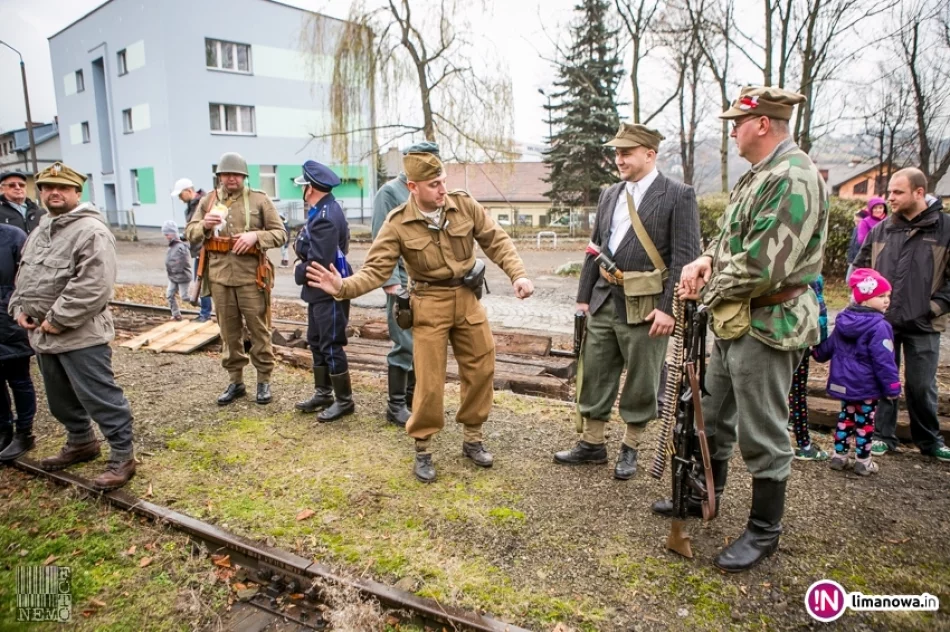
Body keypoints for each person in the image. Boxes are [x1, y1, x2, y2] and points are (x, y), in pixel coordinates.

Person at [654, 86, 829, 572]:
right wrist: (704, 259)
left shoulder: (792, 177)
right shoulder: (759, 175)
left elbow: (762, 265)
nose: (733, 132)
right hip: (737, 320)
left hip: (769, 323)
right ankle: (704, 494)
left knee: (762, 430)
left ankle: (764, 530)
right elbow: (731, 238)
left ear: (763, 124)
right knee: (711, 415)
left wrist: (703, 292)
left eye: (738, 123)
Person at [306, 151, 534, 483]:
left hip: (467, 299)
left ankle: (472, 438)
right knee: (428, 382)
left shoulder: (463, 205)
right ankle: (423, 447)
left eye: (443, 181)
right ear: (413, 187)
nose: (442, 189)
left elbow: (496, 240)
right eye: (433, 184)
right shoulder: (398, 222)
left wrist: (518, 274)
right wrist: (342, 286)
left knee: (481, 369)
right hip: (428, 303)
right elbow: (375, 270)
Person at [554, 123, 701, 480]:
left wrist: (669, 309)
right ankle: (592, 443)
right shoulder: (610, 193)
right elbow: (595, 248)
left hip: (647, 306)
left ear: (650, 154)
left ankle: (630, 447)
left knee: (642, 380)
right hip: (604, 299)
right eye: (617, 153)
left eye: (626, 153)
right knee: (595, 371)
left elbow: (685, 257)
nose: (619, 159)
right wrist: (583, 298)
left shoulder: (677, 194)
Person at [8, 162, 136, 490]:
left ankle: (122, 456)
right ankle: (81, 442)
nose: (54, 193)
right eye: (48, 187)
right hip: (42, 335)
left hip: (81, 335)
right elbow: (25, 275)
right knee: (60, 399)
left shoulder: (90, 231)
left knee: (100, 397)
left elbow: (94, 284)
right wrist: (19, 308)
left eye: (63, 188)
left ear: (77, 193)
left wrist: (56, 319)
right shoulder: (41, 229)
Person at [854, 167, 950, 462]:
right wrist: (866, 305)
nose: (890, 198)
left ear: (919, 193)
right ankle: (882, 435)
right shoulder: (881, 229)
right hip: (882, 323)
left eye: (897, 192)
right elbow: (861, 269)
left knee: (921, 386)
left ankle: (929, 440)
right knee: (883, 378)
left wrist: (934, 308)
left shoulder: (945, 229)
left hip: (924, 322)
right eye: (890, 192)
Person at [185, 153, 286, 406]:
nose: (231, 178)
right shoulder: (209, 201)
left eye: (236, 174)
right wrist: (204, 225)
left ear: (244, 176)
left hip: (252, 277)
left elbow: (280, 234)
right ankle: (236, 381)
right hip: (219, 277)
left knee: (259, 330)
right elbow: (190, 233)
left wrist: (256, 237)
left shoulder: (259, 200)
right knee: (229, 333)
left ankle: (263, 380)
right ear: (219, 176)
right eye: (226, 174)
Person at [370, 141, 440, 426]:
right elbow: (380, 238)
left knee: (422, 343)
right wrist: (389, 281)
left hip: (428, 283)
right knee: (404, 342)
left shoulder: (431, 191)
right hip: (401, 283)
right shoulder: (390, 193)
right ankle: (396, 405)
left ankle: (413, 399)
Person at [812, 268, 900, 476]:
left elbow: (829, 346)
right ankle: (863, 460)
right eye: (880, 296)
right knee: (865, 422)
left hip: (843, 383)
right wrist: (892, 387)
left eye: (888, 296)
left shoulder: (843, 320)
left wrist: (816, 352)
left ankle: (839, 456)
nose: (886, 300)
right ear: (865, 299)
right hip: (866, 386)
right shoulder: (880, 326)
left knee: (845, 418)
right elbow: (884, 361)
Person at [293, 161, 354, 422]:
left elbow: (319, 262)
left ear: (310, 189)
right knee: (316, 339)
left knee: (331, 344)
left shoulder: (326, 217)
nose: (302, 190)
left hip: (327, 290)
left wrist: (298, 270)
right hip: (318, 291)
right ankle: (323, 393)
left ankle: (344, 401)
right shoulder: (323, 210)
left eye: (303, 186)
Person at [0, 223, 36, 462]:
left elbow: (28, 280)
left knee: (19, 379)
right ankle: (3, 429)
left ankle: (24, 432)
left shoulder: (13, 236)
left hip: (9, 320)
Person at [787, 275, 830, 461]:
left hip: (775, 337)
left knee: (775, 391)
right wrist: (821, 340)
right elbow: (819, 310)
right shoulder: (811, 273)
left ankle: (780, 439)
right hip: (800, 340)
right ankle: (803, 444)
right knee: (797, 393)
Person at [171, 178, 212, 322]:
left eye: (180, 195)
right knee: (200, 281)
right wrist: (185, 236)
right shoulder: (191, 206)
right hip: (198, 250)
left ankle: (205, 313)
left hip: (206, 249)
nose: (180, 198)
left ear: (189, 191)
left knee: (202, 281)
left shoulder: (203, 203)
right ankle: (205, 312)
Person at [162, 220, 192, 322]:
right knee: (169, 294)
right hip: (173, 277)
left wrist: (176, 269)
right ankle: (176, 314)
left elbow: (184, 262)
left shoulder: (181, 247)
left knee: (185, 297)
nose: (166, 236)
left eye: (167, 234)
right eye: (165, 234)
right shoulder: (172, 246)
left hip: (182, 276)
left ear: (173, 233)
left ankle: (204, 306)